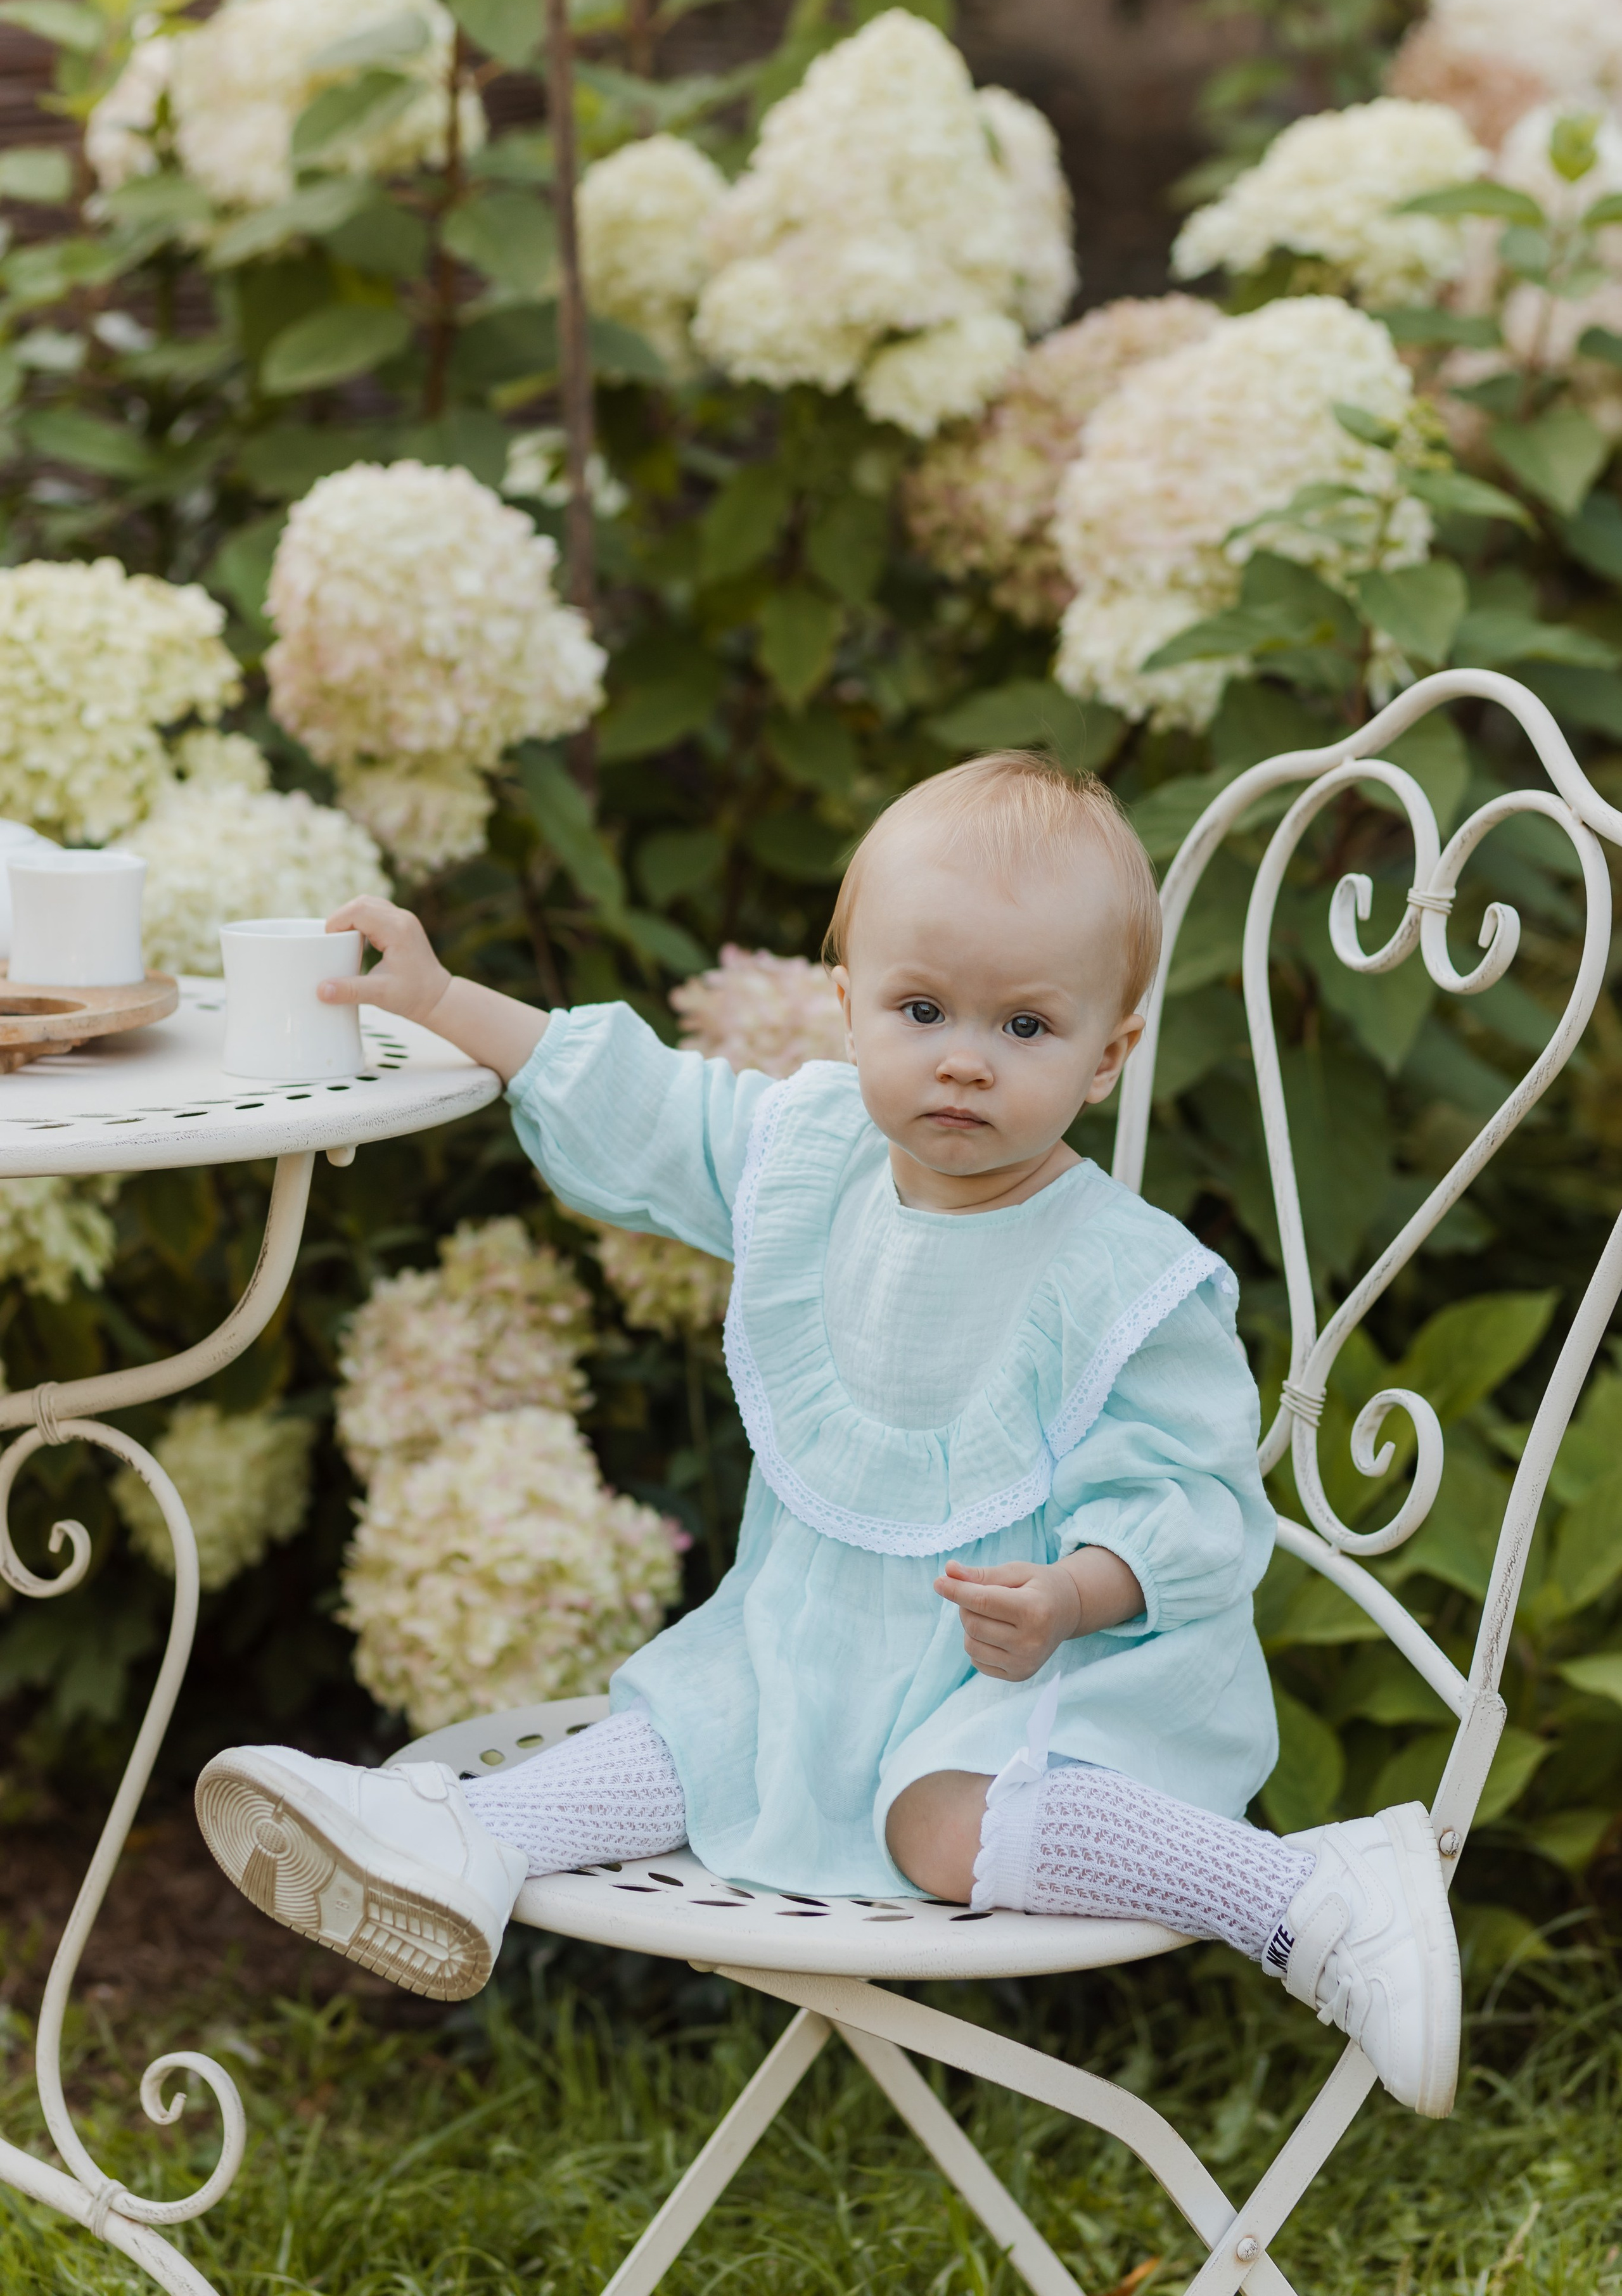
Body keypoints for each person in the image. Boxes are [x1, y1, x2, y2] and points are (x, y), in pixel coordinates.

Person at [195, 751, 1461, 2119]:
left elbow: (1195, 1504)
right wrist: (444, 1001)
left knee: (938, 1824)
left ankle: (1306, 1896)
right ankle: (463, 1841)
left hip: (1035, 1681)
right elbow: (652, 1108)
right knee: (698, 1724)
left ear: (1110, 1051)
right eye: (921, 1009)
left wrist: (1071, 1595)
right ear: (848, 1007)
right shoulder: (809, 1160)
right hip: (811, 1646)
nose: (964, 1059)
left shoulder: (1118, 1276)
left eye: (1026, 1028)